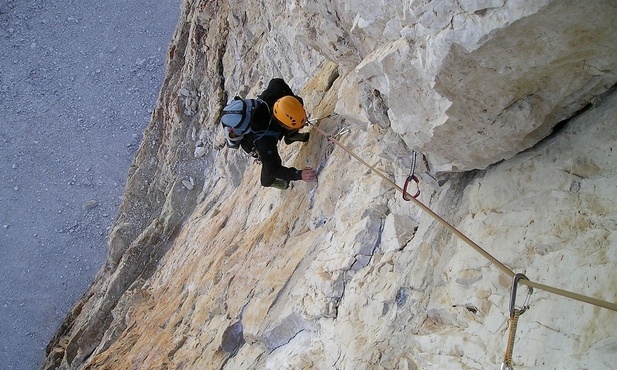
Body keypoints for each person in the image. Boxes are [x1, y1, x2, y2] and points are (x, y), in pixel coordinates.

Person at [220, 78, 318, 189]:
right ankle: (271, 183)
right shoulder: (265, 141)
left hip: (272, 122)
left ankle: (290, 136)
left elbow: (277, 81)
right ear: (283, 125)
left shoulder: (273, 96)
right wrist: (299, 174)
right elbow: (273, 169)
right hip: (253, 139)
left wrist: (292, 99)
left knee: (297, 101)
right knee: (267, 175)